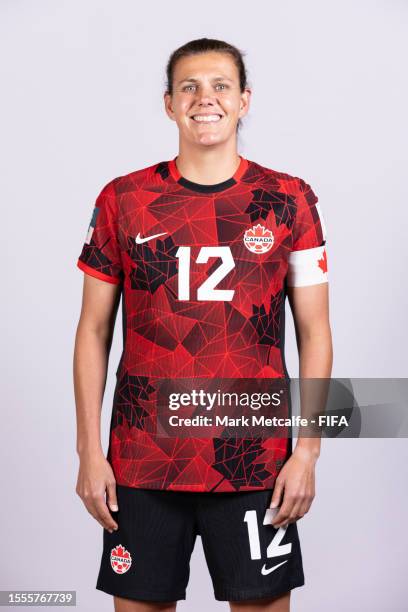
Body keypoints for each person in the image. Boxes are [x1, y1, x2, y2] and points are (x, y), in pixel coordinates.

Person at [73, 37, 333, 612]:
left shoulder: (290, 200)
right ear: (169, 104)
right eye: (189, 87)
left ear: (245, 100)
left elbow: (315, 333)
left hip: (253, 457)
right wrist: (89, 453)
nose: (204, 99)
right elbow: (93, 331)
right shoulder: (124, 198)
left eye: (220, 86)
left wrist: (307, 452)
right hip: (142, 457)